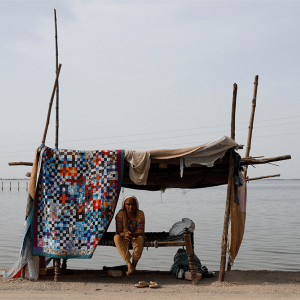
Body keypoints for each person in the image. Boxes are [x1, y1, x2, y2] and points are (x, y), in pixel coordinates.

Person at [114, 195, 145, 276]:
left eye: (133, 204)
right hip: (124, 236)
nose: (131, 207)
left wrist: (131, 234)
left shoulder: (140, 213)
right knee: (116, 238)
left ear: (136, 205)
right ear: (124, 205)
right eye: (128, 204)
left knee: (140, 239)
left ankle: (134, 266)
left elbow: (141, 231)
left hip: (136, 235)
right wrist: (125, 234)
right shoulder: (120, 214)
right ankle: (129, 264)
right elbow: (118, 231)